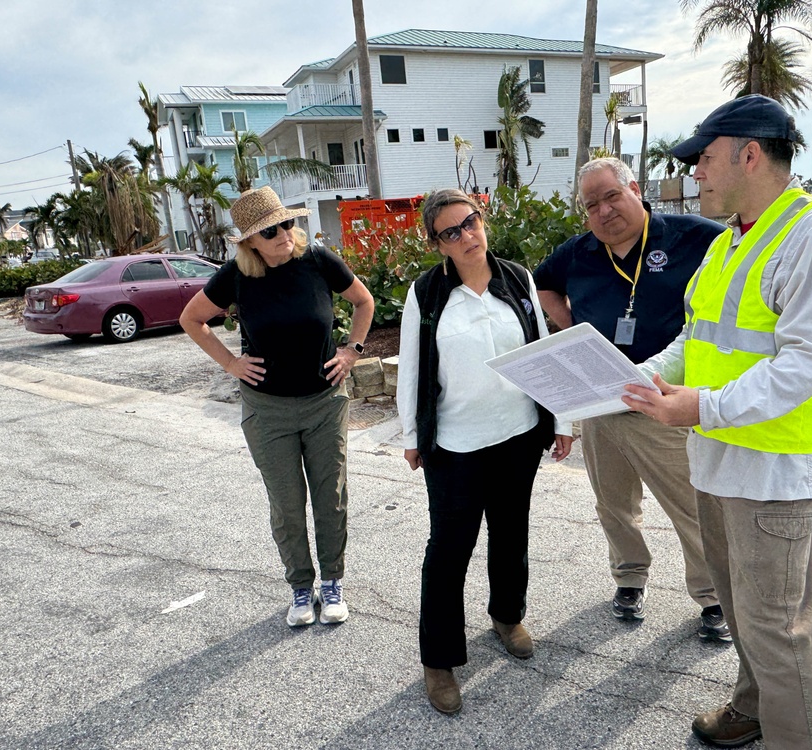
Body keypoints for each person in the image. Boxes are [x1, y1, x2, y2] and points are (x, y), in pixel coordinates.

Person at [623, 95, 812, 749]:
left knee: (777, 627)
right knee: (743, 610)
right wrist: (647, 376)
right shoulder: (732, 241)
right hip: (717, 459)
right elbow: (696, 338)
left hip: (772, 467)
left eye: (703, 160)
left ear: (750, 154)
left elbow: (803, 367)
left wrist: (699, 406)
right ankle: (754, 706)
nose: (695, 174)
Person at [533, 157, 730, 641]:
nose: (603, 211)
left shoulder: (693, 236)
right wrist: (570, 328)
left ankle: (713, 596)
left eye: (611, 196)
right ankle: (628, 576)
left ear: (635, 190)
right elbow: (542, 286)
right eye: (591, 204)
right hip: (600, 401)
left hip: (663, 399)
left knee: (691, 505)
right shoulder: (576, 253)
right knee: (614, 503)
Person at [396, 189, 573, 715]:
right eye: (451, 232)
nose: (467, 236)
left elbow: (545, 354)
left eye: (470, 222)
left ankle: (506, 615)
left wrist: (562, 419)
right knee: (449, 550)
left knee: (511, 530)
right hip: (456, 444)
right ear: (437, 244)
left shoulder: (516, 277)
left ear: (482, 220)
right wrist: (412, 436)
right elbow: (410, 368)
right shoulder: (426, 294)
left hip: (518, 433)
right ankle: (439, 660)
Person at [180, 186, 374, 629]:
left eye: (288, 223)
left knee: (332, 498)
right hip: (268, 411)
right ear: (251, 241)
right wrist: (230, 362)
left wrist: (352, 351)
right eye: (271, 230)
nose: (285, 233)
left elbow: (363, 302)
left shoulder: (319, 261)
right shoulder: (235, 276)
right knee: (287, 504)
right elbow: (191, 319)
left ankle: (332, 582)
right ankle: (301, 587)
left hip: (325, 403)